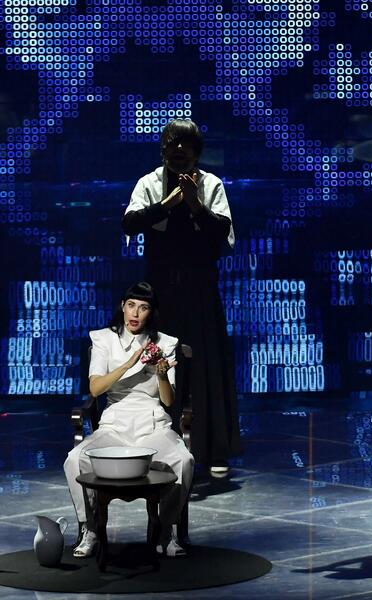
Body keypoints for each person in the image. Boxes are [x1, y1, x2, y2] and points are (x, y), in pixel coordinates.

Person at [121, 119, 241, 475]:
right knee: (159, 366)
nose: (178, 150)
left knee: (207, 366)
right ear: (163, 148)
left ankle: (214, 450)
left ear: (196, 151)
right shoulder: (149, 182)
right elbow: (129, 224)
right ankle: (155, 447)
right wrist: (168, 204)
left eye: (185, 144)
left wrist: (195, 205)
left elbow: (223, 233)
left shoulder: (212, 184)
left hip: (200, 291)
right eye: (172, 143)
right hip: (161, 293)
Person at [64, 282, 194, 557]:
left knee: (183, 460)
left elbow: (168, 401)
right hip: (115, 423)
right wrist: (129, 363)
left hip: (152, 423)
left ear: (151, 312)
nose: (135, 313)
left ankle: (166, 530)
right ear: (122, 306)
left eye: (143, 307)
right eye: (131, 305)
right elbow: (95, 389)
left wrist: (161, 374)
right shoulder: (104, 339)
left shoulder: (164, 343)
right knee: (76, 459)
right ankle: (90, 529)